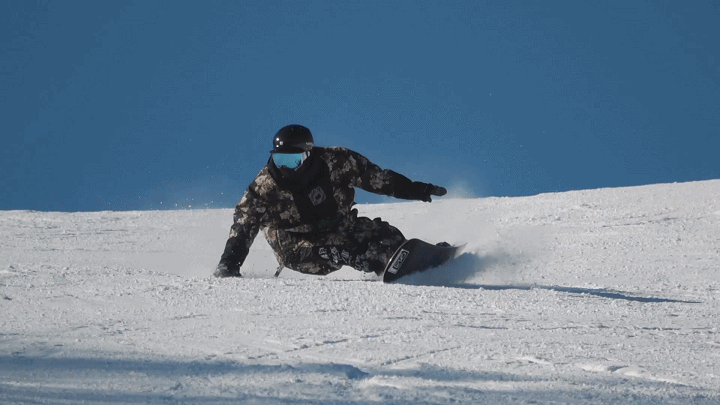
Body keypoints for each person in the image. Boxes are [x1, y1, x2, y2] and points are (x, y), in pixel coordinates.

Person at [214, 124, 447, 278]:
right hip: (298, 245)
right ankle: (391, 266)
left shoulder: (335, 162)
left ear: (308, 154)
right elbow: (243, 223)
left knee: (387, 234)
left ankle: (417, 260)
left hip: (338, 224)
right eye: (280, 160)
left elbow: (378, 179)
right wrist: (229, 264)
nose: (286, 168)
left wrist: (418, 190)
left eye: (293, 161)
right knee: (355, 251)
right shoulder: (266, 187)